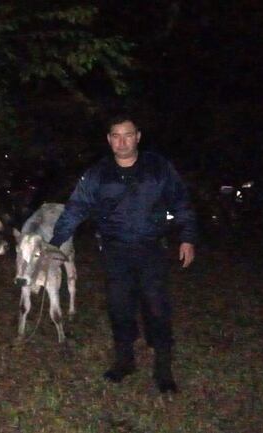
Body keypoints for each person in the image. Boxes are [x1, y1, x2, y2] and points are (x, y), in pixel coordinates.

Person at [49, 114, 197, 393]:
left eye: (127, 135)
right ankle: (124, 361)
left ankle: (163, 370)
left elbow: (181, 202)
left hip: (152, 249)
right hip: (115, 252)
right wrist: (56, 242)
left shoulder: (158, 167)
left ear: (138, 136)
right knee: (119, 308)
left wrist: (187, 237)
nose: (122, 141)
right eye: (115, 136)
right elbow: (76, 208)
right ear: (108, 140)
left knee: (156, 308)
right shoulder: (97, 174)